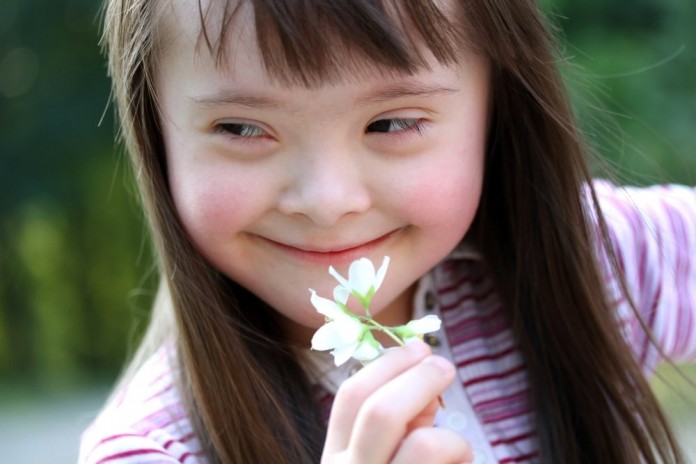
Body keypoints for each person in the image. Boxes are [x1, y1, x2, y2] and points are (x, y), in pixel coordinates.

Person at [79, 0, 696, 462]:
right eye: (241, 129)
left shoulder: (589, 261)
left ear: (496, 107)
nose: (327, 202)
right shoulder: (148, 450)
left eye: (393, 122)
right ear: (157, 133)